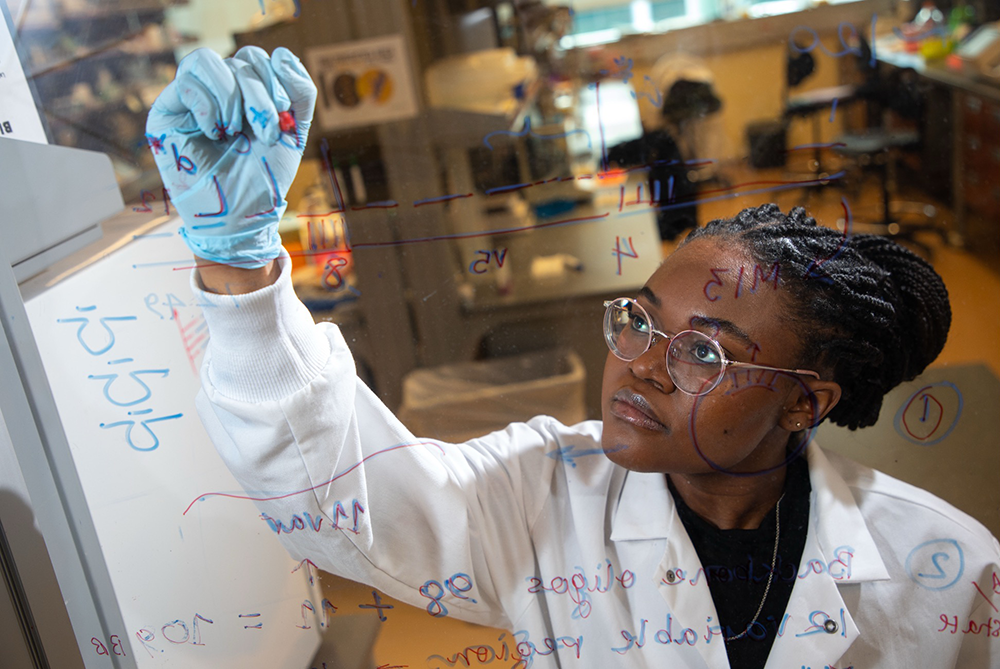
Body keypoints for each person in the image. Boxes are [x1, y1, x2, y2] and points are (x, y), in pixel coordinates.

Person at [150, 47, 1000, 669]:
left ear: (804, 403)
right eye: (638, 319)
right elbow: (342, 499)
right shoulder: (538, 493)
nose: (639, 364)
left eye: (703, 351)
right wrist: (240, 262)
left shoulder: (950, 571)